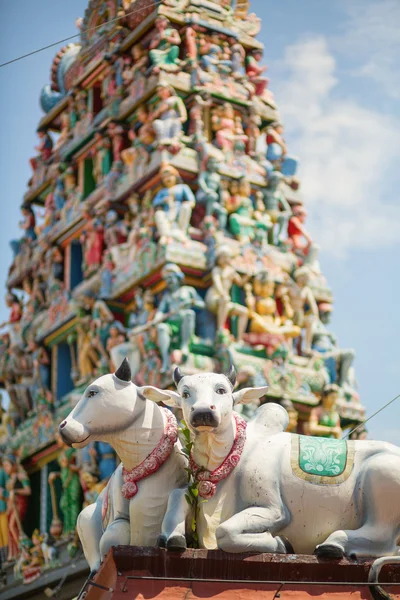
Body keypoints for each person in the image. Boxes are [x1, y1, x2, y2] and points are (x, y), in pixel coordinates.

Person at [155, 263, 205, 373]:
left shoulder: (188, 290)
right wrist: (157, 318)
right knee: (161, 328)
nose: (169, 281)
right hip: (172, 323)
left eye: (171, 277)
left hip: (184, 320)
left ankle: (184, 346)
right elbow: (160, 311)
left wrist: (192, 302)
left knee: (189, 314)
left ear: (178, 277)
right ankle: (166, 359)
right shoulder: (167, 296)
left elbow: (202, 304)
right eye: (166, 279)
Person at [205, 245, 249, 342]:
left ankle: (239, 339)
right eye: (222, 257)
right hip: (214, 298)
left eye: (227, 257)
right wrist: (222, 294)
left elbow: (240, 283)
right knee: (225, 300)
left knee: (244, 312)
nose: (225, 260)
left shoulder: (231, 271)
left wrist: (247, 274)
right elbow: (217, 283)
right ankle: (220, 330)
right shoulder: (217, 270)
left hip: (225, 300)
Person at [3, 454, 31, 561]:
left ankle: (22, 549)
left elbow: (28, 491)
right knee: (9, 528)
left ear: (14, 465)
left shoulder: (20, 476)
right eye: (4, 466)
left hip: (20, 503)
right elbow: (10, 497)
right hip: (12, 505)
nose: (5, 468)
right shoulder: (9, 480)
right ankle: (15, 552)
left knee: (12, 526)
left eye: (7, 465)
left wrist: (15, 491)